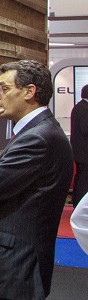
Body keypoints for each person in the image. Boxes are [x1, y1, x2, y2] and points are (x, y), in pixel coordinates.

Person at [0, 60, 74, 300]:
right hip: (11, 264)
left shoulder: (38, 138)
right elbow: (0, 185)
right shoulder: (37, 132)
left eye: (3, 89)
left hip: (13, 266)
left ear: (29, 92)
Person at [71, 85, 88, 214]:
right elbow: (85, 128)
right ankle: (80, 203)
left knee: (81, 177)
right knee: (83, 179)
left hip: (80, 151)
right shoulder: (83, 108)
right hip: (84, 152)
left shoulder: (79, 107)